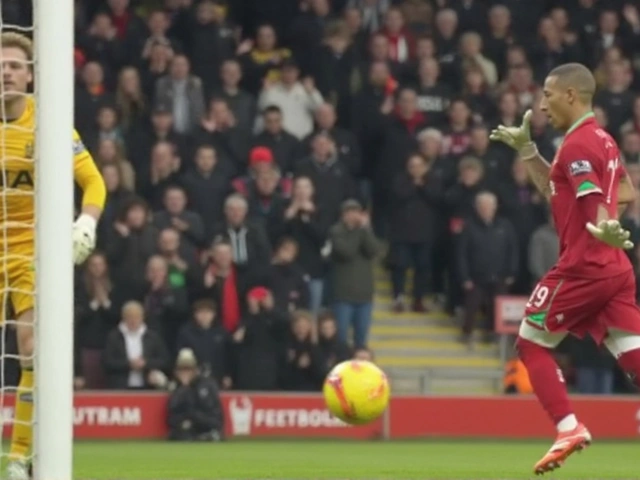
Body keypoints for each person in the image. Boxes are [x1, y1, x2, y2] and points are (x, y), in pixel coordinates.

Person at [490, 62, 640, 475]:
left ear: (571, 95)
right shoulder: (603, 140)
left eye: (548, 95)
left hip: (584, 266)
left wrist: (601, 226)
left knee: (530, 342)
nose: (540, 105)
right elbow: (619, 189)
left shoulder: (576, 147)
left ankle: (568, 428)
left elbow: (592, 196)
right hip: (615, 267)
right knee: (632, 352)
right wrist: (528, 152)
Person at [0, 33, 106, 480]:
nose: (7, 71)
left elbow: (94, 182)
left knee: (31, 351)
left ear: (30, 75)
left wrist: (86, 223)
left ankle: (20, 456)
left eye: (15, 66)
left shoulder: (49, 122)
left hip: (28, 249)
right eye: (1, 65)